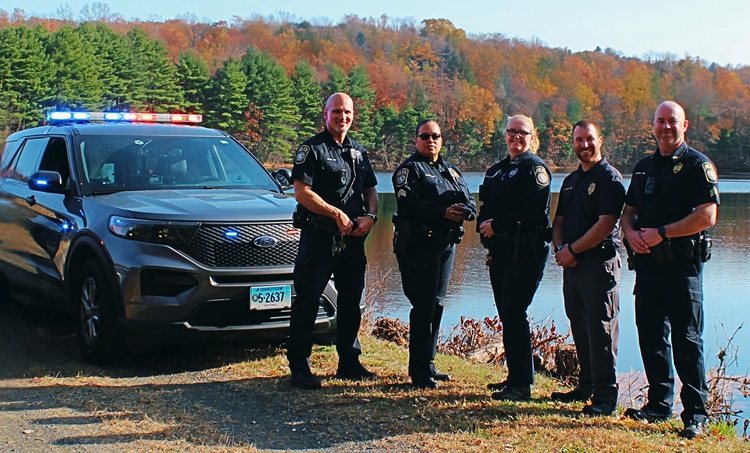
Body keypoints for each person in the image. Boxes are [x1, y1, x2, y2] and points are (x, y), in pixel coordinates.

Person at [621, 101, 719, 439]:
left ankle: (696, 415)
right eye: (660, 121)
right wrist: (630, 233)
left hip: (682, 267)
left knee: (687, 340)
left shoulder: (697, 165)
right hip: (648, 267)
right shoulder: (644, 167)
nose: (665, 127)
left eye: (672, 121)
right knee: (651, 336)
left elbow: (707, 215)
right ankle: (658, 406)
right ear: (653, 126)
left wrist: (663, 232)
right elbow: (628, 212)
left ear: (684, 125)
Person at [287, 92, 379, 390]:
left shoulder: (358, 152)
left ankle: (349, 362)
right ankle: (300, 366)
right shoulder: (312, 149)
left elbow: (371, 190)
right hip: (319, 236)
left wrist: (371, 217)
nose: (343, 117)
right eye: (337, 111)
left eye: (347, 112)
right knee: (308, 299)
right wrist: (335, 213)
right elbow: (302, 192)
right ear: (325, 114)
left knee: (351, 300)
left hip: (352, 239)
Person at [392, 120, 477, 389]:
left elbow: (469, 198)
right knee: (423, 306)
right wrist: (442, 212)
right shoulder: (408, 170)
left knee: (437, 304)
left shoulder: (450, 170)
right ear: (416, 139)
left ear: (442, 140)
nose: (431, 140)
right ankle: (418, 372)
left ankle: (428, 363)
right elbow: (408, 203)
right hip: (419, 245)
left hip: (446, 245)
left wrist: (467, 212)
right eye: (425, 136)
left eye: (436, 136)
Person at [551, 120, 625, 416]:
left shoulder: (610, 178)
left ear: (600, 140)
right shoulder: (571, 181)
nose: (584, 145)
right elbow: (559, 221)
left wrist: (571, 250)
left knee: (601, 329)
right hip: (573, 266)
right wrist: (561, 250)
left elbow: (605, 225)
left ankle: (605, 397)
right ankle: (585, 386)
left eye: (589, 139)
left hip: (599, 265)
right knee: (580, 325)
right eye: (578, 140)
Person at [477, 115, 552, 401]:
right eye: (511, 131)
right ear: (505, 134)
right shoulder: (496, 171)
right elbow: (486, 206)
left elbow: (534, 212)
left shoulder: (535, 169)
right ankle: (515, 376)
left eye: (522, 132)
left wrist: (497, 225)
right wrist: (483, 224)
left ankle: (521, 385)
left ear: (533, 137)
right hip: (501, 252)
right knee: (507, 314)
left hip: (526, 252)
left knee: (514, 312)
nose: (516, 137)